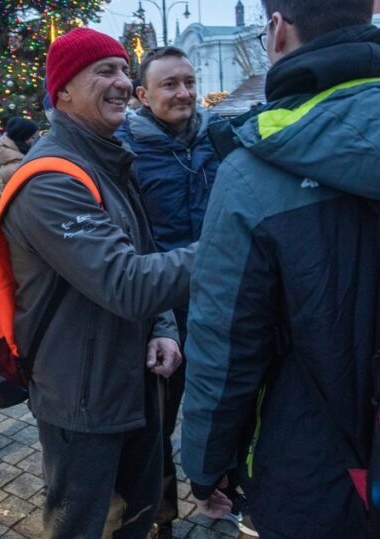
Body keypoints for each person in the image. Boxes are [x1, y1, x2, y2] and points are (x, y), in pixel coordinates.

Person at [181, 0, 380, 538]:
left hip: (308, 472)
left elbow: (225, 347)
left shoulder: (252, 174)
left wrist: (205, 466)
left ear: (277, 30)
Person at [0, 27, 206, 538]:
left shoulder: (109, 160)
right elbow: (127, 282)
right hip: (83, 396)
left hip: (132, 377)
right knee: (84, 527)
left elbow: (142, 251)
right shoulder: (51, 178)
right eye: (104, 71)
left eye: (123, 69)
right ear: (62, 91)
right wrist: (230, 246)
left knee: (135, 519)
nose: (121, 82)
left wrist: (162, 327)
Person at [114, 46, 228, 538]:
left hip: (220, 304)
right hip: (162, 311)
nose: (183, 92)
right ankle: (161, 516)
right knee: (157, 425)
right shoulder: (124, 151)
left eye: (188, 81)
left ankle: (222, 493)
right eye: (169, 84)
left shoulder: (218, 139)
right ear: (142, 94)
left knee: (225, 406)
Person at [0, 116, 39, 191]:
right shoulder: (15, 168)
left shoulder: (22, 160)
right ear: (23, 139)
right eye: (33, 137)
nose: (37, 140)